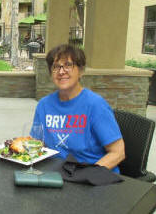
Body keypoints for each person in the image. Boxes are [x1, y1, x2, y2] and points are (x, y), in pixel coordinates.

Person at [31, 44, 125, 173]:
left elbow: (118, 152)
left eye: (68, 65)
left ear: (80, 71)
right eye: (56, 66)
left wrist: (87, 175)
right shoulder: (44, 105)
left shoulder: (95, 105)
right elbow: (37, 144)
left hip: (92, 175)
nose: (61, 71)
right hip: (58, 173)